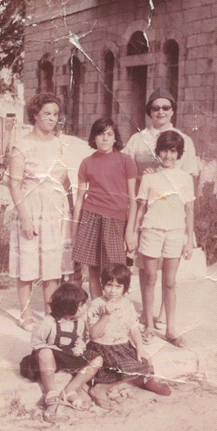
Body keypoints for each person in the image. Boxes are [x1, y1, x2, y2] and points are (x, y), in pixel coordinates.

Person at [123, 87, 198, 328]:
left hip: (171, 212)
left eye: (166, 107)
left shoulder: (184, 139)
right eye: (155, 108)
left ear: (173, 110)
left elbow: (188, 179)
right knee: (147, 267)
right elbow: (126, 168)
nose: (161, 112)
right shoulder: (138, 138)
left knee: (168, 271)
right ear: (149, 112)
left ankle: (165, 315)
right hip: (145, 205)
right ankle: (146, 314)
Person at [9, 93, 74, 332]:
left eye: (55, 114)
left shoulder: (60, 144)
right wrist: (24, 217)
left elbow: (66, 180)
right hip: (31, 208)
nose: (52, 118)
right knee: (27, 265)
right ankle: (26, 314)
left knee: (52, 266)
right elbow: (14, 184)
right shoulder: (22, 145)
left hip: (56, 210)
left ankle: (50, 314)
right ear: (35, 115)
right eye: (47, 113)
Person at [133, 131, 195, 347]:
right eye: (164, 150)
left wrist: (189, 241)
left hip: (175, 233)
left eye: (173, 151)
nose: (168, 155)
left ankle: (170, 329)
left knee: (169, 283)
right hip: (151, 231)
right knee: (149, 278)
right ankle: (149, 325)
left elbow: (189, 211)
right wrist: (134, 233)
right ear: (158, 152)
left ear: (178, 153)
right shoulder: (149, 177)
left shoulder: (185, 178)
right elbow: (141, 209)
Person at [85, 263, 171, 406]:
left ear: (125, 288)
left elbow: (134, 329)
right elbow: (94, 334)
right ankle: (100, 388)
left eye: (118, 287)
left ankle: (148, 382)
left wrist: (139, 347)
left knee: (145, 361)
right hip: (102, 348)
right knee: (123, 368)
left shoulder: (127, 305)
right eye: (109, 285)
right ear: (102, 285)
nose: (113, 290)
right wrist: (106, 316)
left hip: (122, 346)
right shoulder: (97, 304)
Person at [72, 118, 137, 299]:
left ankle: (115, 312)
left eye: (109, 134)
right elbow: (79, 199)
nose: (105, 138)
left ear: (115, 138)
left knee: (115, 271)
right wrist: (75, 230)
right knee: (93, 269)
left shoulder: (126, 161)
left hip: (116, 221)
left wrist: (130, 231)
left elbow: (133, 199)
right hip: (90, 218)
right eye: (100, 134)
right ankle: (97, 309)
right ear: (94, 137)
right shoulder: (87, 162)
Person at [20, 282, 103, 423]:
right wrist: (52, 349)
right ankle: (51, 392)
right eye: (82, 305)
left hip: (67, 355)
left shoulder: (80, 321)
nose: (85, 307)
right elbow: (36, 343)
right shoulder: (48, 322)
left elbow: (80, 339)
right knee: (45, 352)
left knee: (97, 359)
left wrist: (79, 348)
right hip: (48, 358)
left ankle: (69, 390)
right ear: (68, 308)